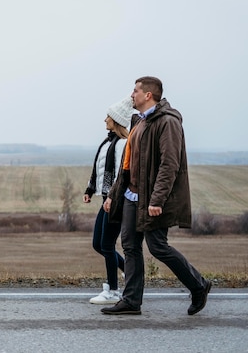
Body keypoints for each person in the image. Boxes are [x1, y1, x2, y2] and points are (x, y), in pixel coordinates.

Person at [101, 76, 211, 316]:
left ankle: (199, 285)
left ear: (148, 95)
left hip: (152, 200)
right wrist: (113, 195)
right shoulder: (138, 122)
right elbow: (127, 165)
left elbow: (169, 165)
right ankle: (131, 301)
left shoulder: (167, 122)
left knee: (158, 247)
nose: (131, 95)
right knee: (130, 246)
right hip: (131, 196)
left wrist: (157, 200)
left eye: (135, 91)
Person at [84, 97, 135, 304]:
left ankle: (113, 291)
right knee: (98, 244)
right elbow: (101, 169)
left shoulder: (123, 144)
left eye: (108, 116)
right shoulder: (108, 142)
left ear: (116, 120)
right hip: (107, 200)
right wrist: (90, 189)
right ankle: (127, 271)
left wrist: (113, 197)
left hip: (116, 202)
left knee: (106, 244)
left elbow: (120, 176)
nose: (105, 119)